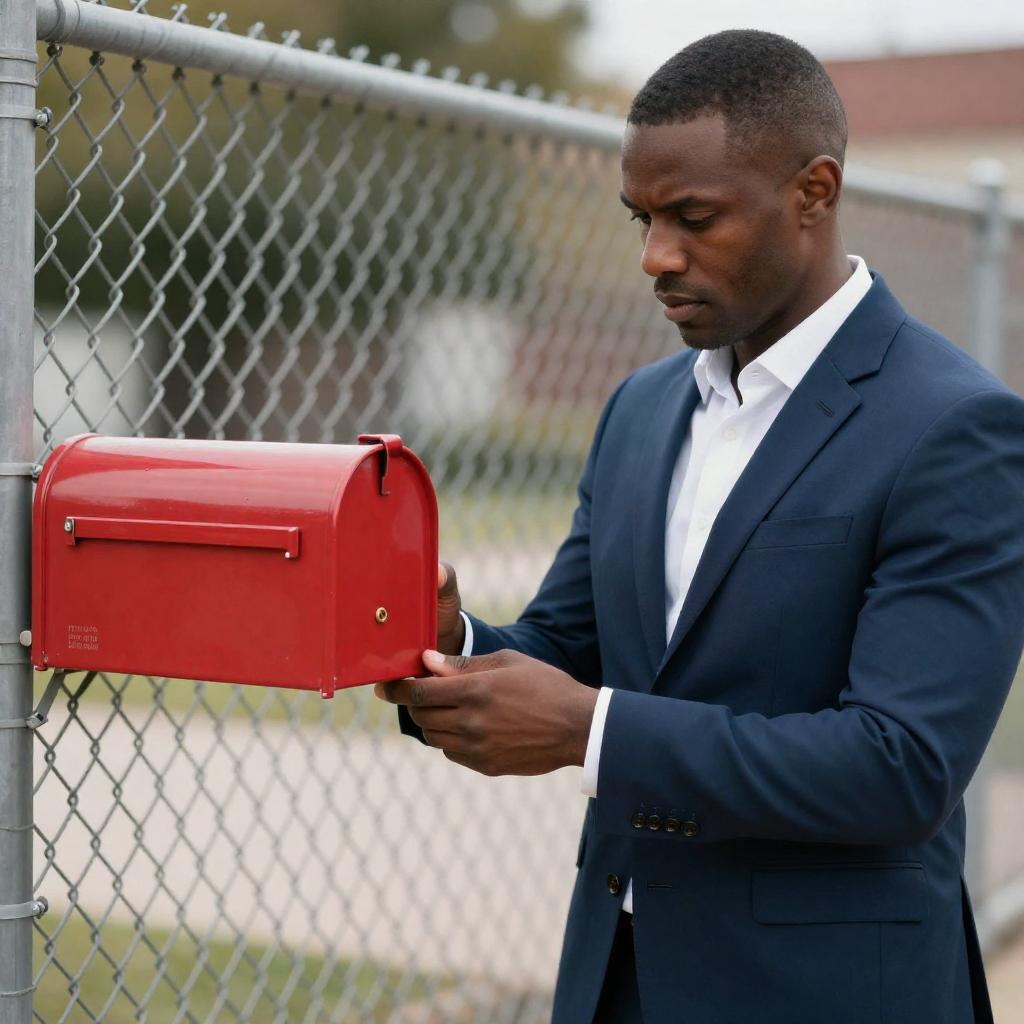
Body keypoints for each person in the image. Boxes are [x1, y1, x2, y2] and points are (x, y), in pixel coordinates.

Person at [376, 29, 1024, 1024]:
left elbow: (900, 765)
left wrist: (592, 730)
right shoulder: (641, 408)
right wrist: (448, 642)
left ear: (812, 192)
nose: (655, 256)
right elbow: (567, 646)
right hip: (619, 975)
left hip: (826, 996)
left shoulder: (955, 427)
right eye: (641, 218)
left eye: (693, 217)